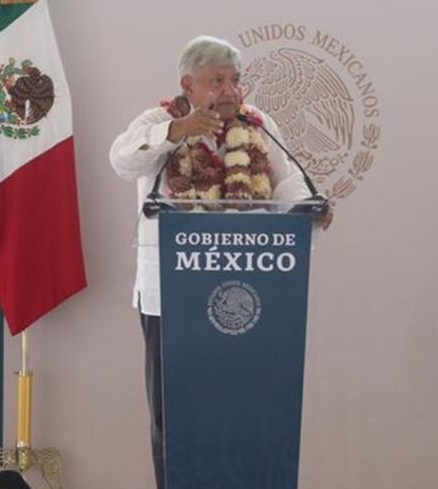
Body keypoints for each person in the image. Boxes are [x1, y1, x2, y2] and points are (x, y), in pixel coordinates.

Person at [108, 35, 332, 489]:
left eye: (234, 80)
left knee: (246, 409)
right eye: (216, 81)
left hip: (252, 293)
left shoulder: (258, 123)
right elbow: (122, 161)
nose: (229, 90)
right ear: (188, 85)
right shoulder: (158, 122)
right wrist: (179, 131)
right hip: (170, 296)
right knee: (175, 414)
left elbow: (287, 182)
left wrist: (311, 206)